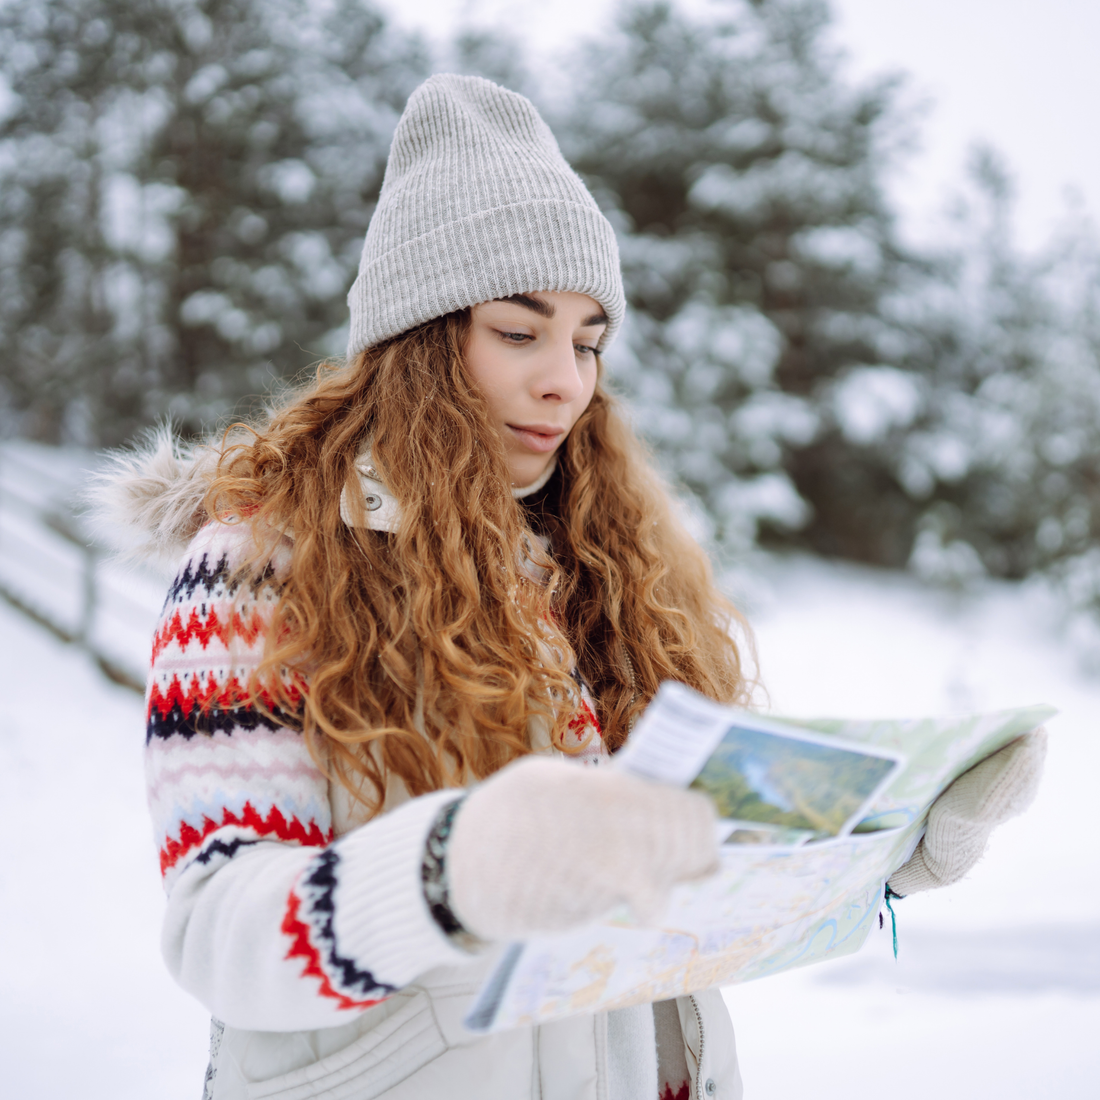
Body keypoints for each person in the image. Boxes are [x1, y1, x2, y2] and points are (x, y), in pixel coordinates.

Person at [101, 74, 1046, 1100]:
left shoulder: (597, 572)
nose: (566, 378)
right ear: (416, 344)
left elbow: (685, 887)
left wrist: (888, 852)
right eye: (519, 331)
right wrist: (448, 868)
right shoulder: (260, 565)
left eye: (588, 341)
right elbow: (217, 928)